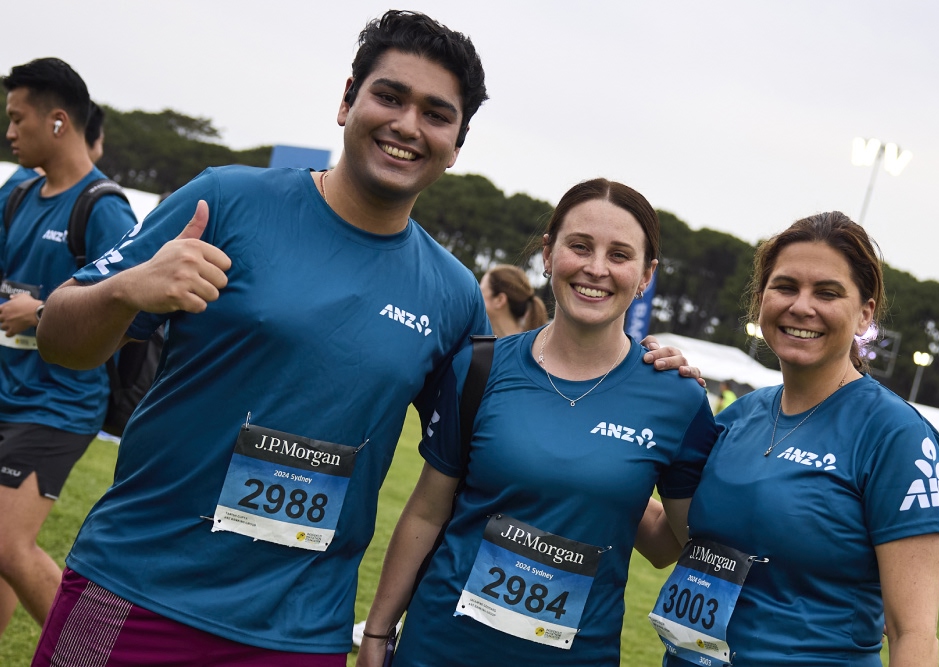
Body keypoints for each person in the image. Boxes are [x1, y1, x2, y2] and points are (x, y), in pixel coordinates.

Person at [32, 14, 696, 665]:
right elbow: (63, 342)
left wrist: (640, 390)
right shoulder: (225, 201)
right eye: (390, 96)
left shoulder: (452, 294)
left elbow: (493, 453)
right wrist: (125, 289)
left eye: (436, 114)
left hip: (299, 629)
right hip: (131, 585)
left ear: (456, 144)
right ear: (348, 99)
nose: (408, 125)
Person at [357, 178, 719, 667]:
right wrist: (378, 632)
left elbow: (674, 543)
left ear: (646, 275)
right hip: (439, 648)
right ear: (548, 254)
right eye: (579, 246)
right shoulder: (478, 367)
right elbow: (426, 510)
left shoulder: (677, 398)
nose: (595, 268)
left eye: (619, 254)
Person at [655, 211, 939, 666]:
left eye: (828, 292)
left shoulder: (898, 436)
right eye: (786, 286)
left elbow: (913, 634)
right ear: (761, 299)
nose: (801, 306)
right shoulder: (737, 417)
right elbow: (669, 542)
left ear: (864, 315)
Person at [0, 59, 137, 640]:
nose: (8, 132)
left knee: (7, 544)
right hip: (7, 391)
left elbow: (129, 308)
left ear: (58, 122)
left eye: (16, 118)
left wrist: (44, 311)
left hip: (59, 403)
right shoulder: (16, 191)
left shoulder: (105, 208)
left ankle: (91, 652)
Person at [480, 263, 548, 336]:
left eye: (481, 291)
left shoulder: (490, 345)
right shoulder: (531, 344)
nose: (477, 297)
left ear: (500, 300)